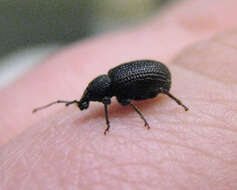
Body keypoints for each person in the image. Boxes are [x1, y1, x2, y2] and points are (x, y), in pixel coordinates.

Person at [1, 0, 237, 189]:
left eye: (88, 97)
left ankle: (179, 103)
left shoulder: (114, 87)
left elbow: (114, 104)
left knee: (159, 92)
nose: (87, 101)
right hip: (149, 72)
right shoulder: (108, 86)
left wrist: (130, 120)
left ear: (99, 90)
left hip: (157, 76)